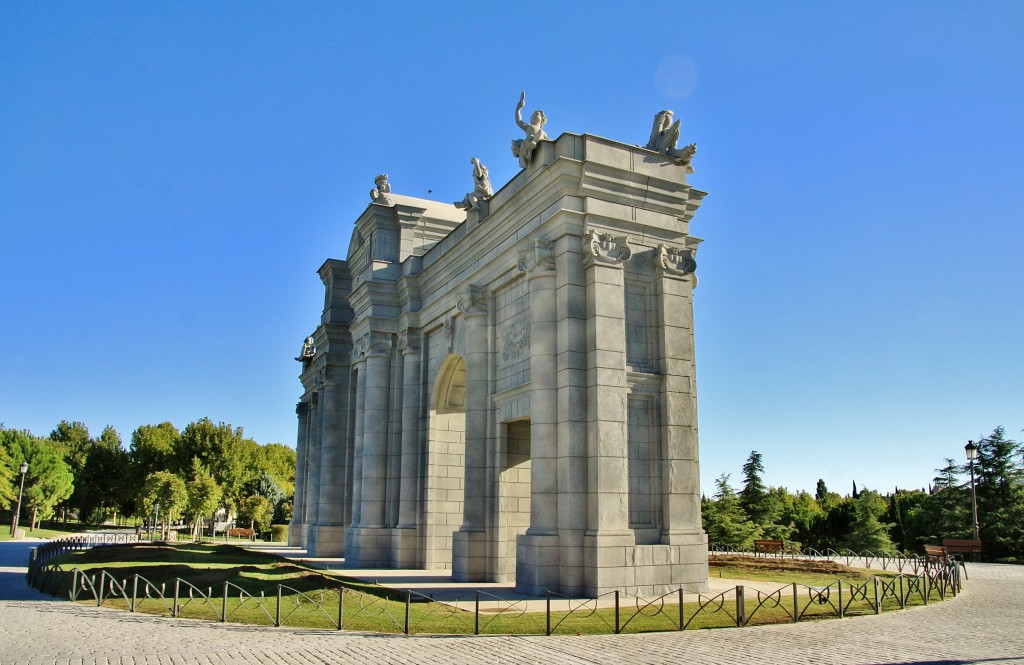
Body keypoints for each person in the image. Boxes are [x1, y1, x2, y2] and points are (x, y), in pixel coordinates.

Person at [511, 91, 548, 168]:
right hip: (527, 143)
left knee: (541, 132)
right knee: (516, 143)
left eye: (536, 114)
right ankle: (525, 153)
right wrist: (518, 109)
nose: (533, 115)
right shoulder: (529, 127)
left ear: (542, 119)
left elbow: (546, 139)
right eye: (532, 114)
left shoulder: (541, 131)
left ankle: (533, 143)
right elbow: (518, 121)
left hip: (534, 141)